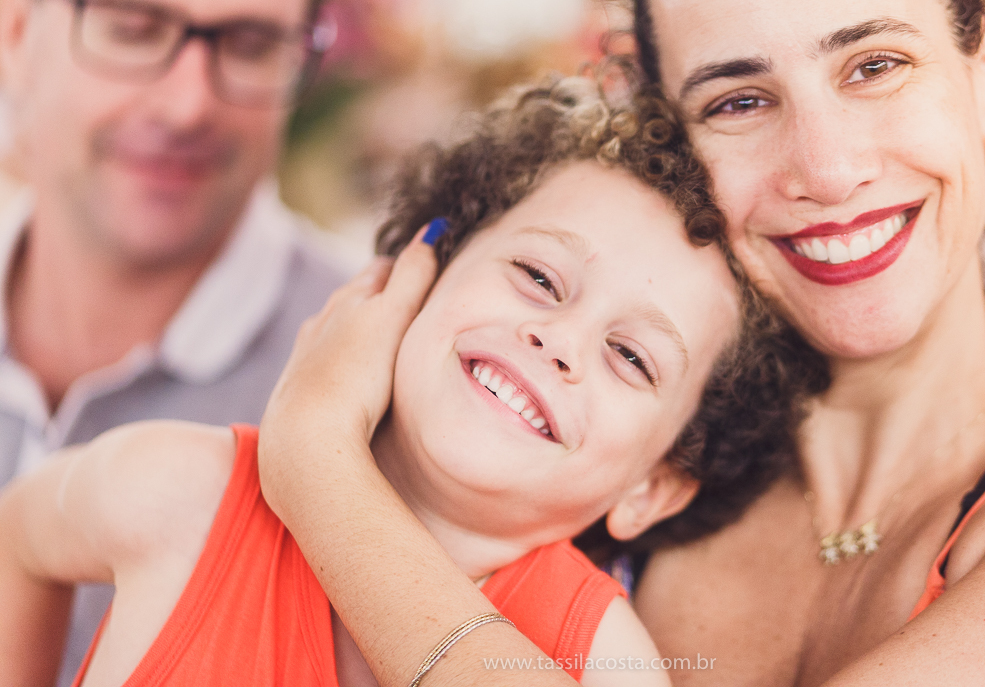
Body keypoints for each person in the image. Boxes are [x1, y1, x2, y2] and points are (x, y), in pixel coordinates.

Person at [243, 0, 985, 685]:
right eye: (739, 99)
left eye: (876, 65)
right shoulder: (596, 464)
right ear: (666, 145)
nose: (826, 168)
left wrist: (317, 467)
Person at [0, 76, 823, 687]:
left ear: (653, 486)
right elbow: (18, 536)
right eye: (538, 277)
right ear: (411, 283)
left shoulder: (601, 661)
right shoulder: (176, 490)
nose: (559, 340)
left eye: (633, 358)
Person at [0, 0, 344, 679]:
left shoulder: (384, 399)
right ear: (16, 27)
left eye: (250, 43)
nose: (189, 105)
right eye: (131, 26)